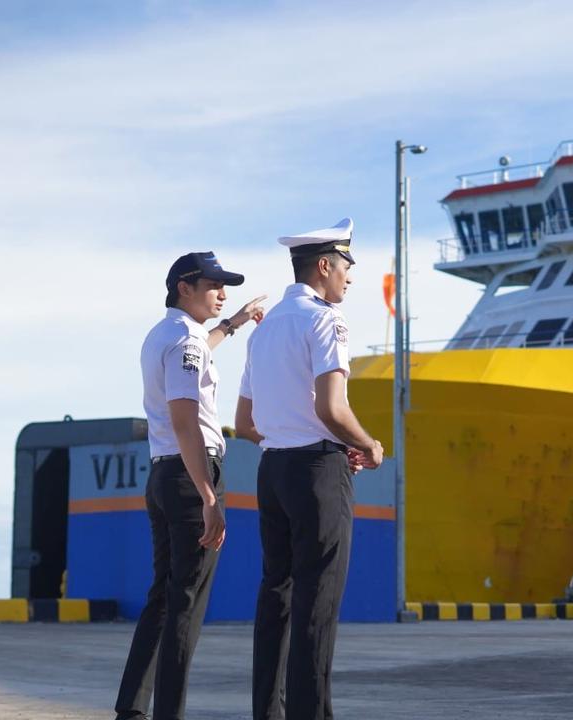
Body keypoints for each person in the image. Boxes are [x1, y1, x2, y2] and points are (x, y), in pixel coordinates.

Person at [236, 218, 383, 720]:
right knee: (317, 601)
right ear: (324, 266)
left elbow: (243, 423)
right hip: (318, 472)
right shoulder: (325, 321)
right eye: (346, 266)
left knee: (275, 593)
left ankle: (269, 712)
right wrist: (368, 444)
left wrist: (287, 435)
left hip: (272, 471)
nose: (350, 277)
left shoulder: (266, 328)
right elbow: (332, 409)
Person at [115, 251, 266, 720]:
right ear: (184, 287)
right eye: (214, 284)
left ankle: (132, 710)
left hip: (163, 473)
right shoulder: (186, 341)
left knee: (163, 597)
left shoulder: (166, 334)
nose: (223, 293)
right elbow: (186, 421)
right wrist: (207, 497)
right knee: (187, 603)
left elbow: (203, 347)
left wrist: (236, 322)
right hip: (190, 474)